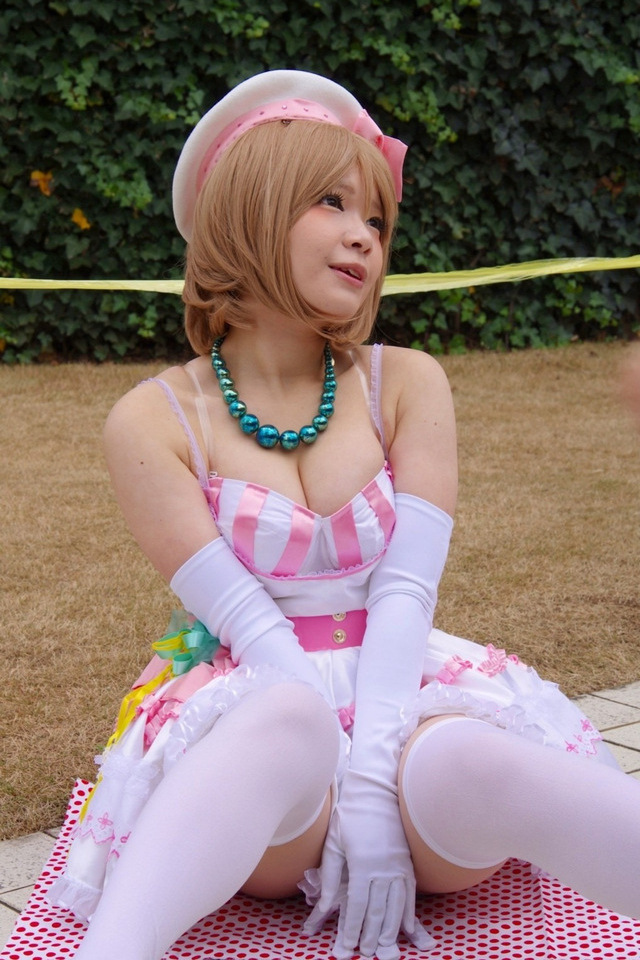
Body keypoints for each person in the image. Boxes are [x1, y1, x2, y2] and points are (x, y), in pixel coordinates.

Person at [48, 70, 640, 960]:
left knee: (472, 758)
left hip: (407, 709)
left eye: (376, 219)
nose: (364, 234)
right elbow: (247, 624)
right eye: (332, 202)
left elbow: (406, 590)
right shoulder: (152, 420)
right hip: (269, 753)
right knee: (286, 719)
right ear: (248, 208)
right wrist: (334, 764)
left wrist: (372, 778)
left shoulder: (407, 382)